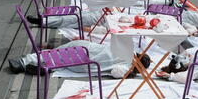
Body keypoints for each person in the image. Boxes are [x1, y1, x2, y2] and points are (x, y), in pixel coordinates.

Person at [8, 38, 152, 77]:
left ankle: (26, 61)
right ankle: (45, 67)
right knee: (58, 56)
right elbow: (115, 72)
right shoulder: (127, 66)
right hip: (85, 58)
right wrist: (130, 73)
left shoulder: (127, 51)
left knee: (56, 54)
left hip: (86, 51)